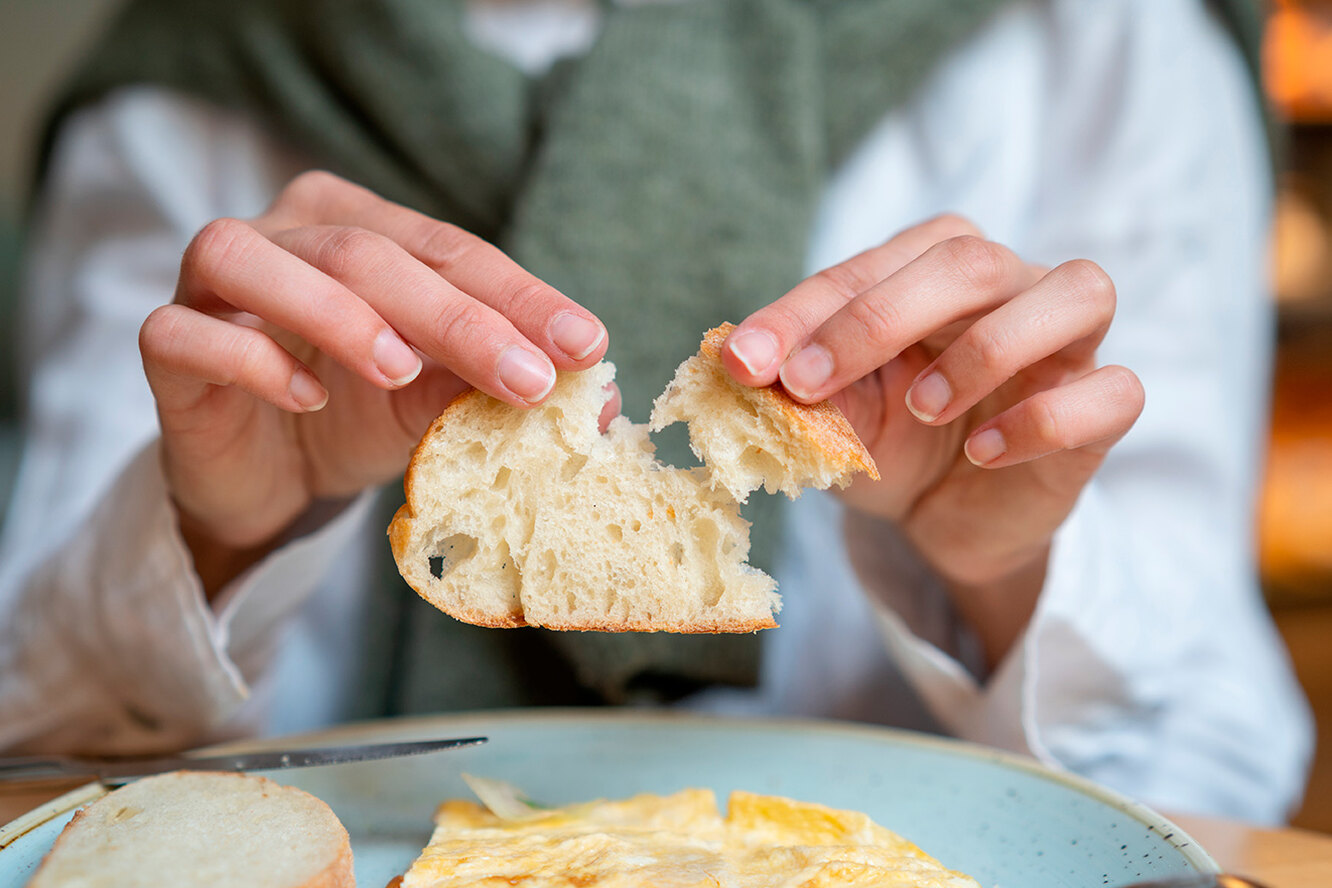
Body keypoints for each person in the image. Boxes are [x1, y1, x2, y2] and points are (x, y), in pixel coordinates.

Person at [0, 0, 1313, 824]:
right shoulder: (180, 82)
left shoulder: (1107, 36)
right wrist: (214, 537)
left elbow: (1212, 773)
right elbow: (34, 748)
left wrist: (999, 570)